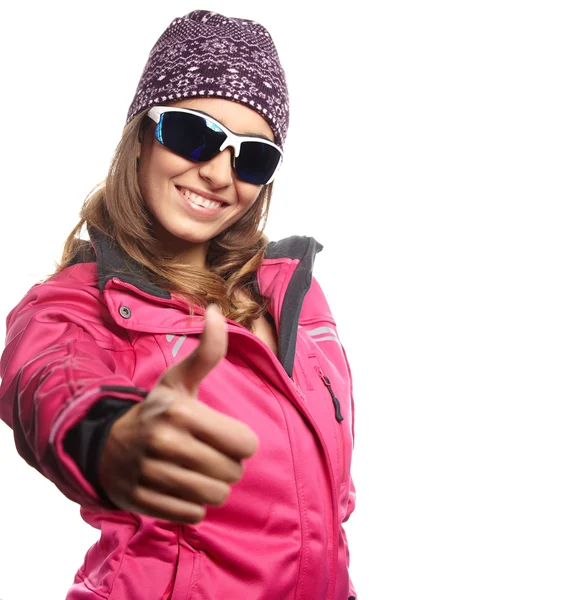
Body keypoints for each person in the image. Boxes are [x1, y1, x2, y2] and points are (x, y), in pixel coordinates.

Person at [0, 9, 356, 599]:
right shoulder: (71, 306)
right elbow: (46, 379)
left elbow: (328, 508)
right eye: (194, 133)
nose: (219, 173)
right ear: (142, 134)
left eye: (253, 157)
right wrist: (107, 436)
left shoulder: (294, 291)